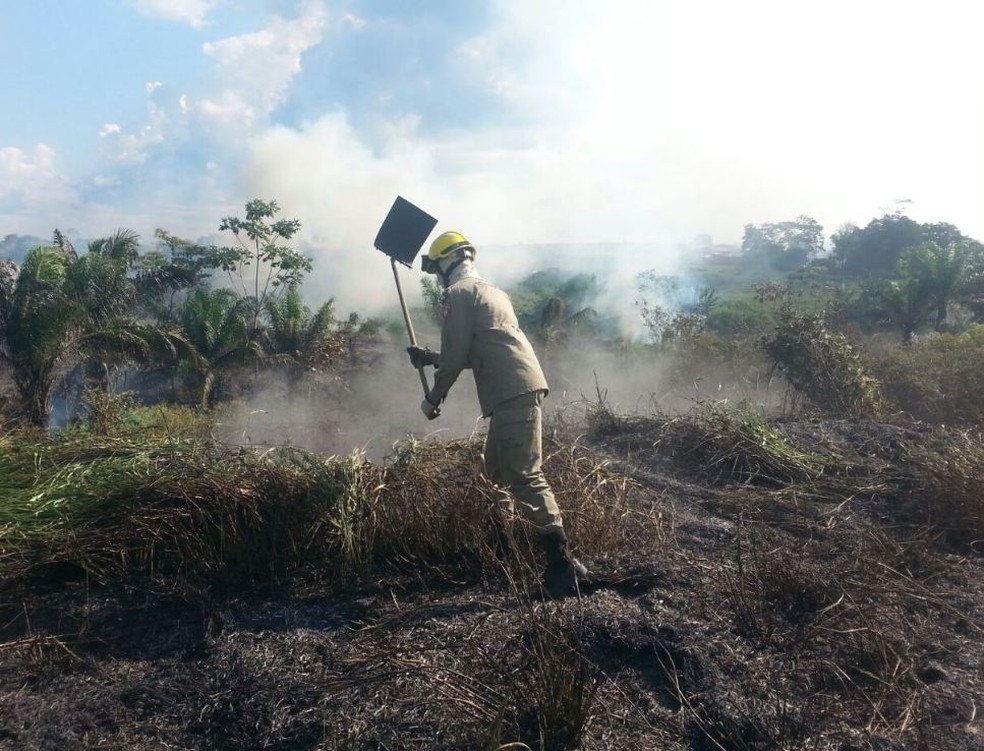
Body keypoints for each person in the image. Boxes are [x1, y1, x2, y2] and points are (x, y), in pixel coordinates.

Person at [407, 230, 588, 598]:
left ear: (444, 263)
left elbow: (458, 356)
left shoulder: (457, 294)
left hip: (511, 392)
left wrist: (434, 397)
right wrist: (430, 357)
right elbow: (479, 352)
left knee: (523, 474)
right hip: (516, 388)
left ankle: (564, 565)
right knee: (493, 471)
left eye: (436, 268)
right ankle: (501, 545)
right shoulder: (492, 292)